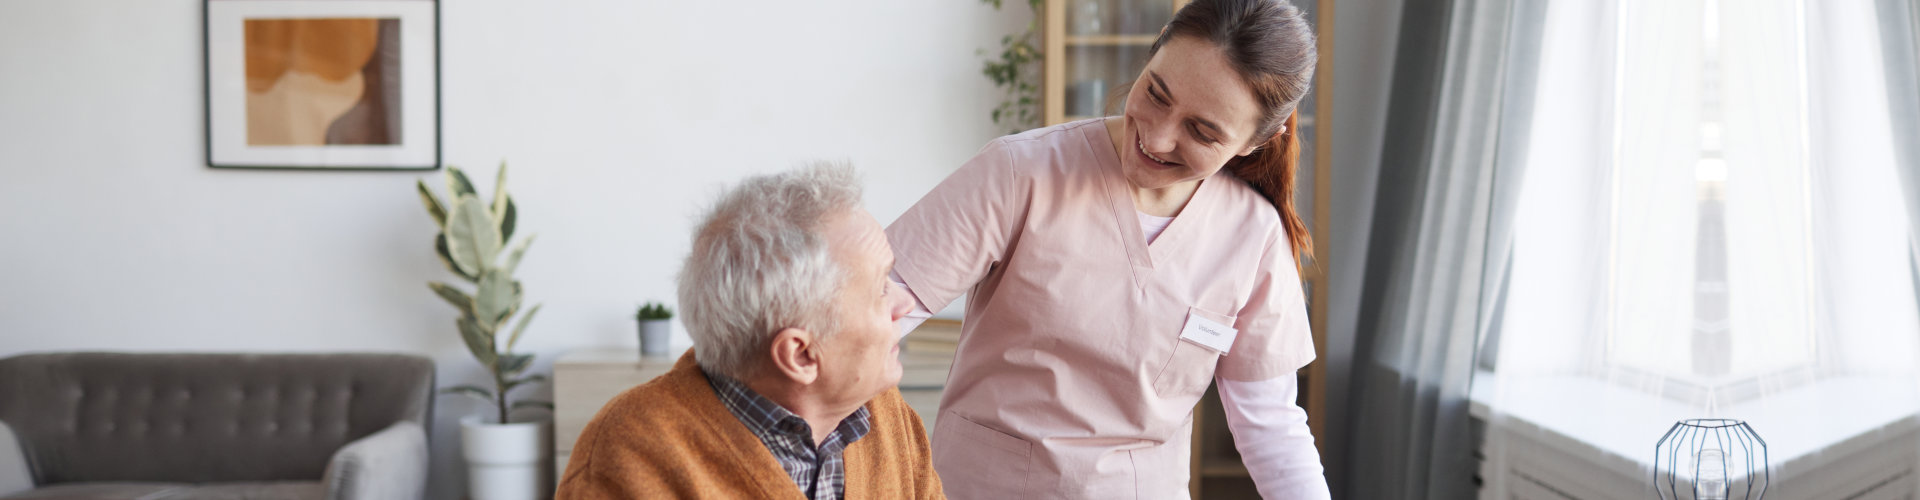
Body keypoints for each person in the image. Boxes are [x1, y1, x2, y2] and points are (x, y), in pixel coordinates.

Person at [885, 0, 1330, 497]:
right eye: (1156, 94)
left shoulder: (1254, 237)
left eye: (1202, 131)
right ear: (1154, 48)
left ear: (1258, 140)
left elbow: (1271, 428)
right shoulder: (1020, 174)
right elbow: (867, 319)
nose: (1158, 138)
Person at [557, 163, 943, 500]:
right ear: (801, 355)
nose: (905, 304)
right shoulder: (630, 458)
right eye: (880, 289)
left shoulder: (886, 415)